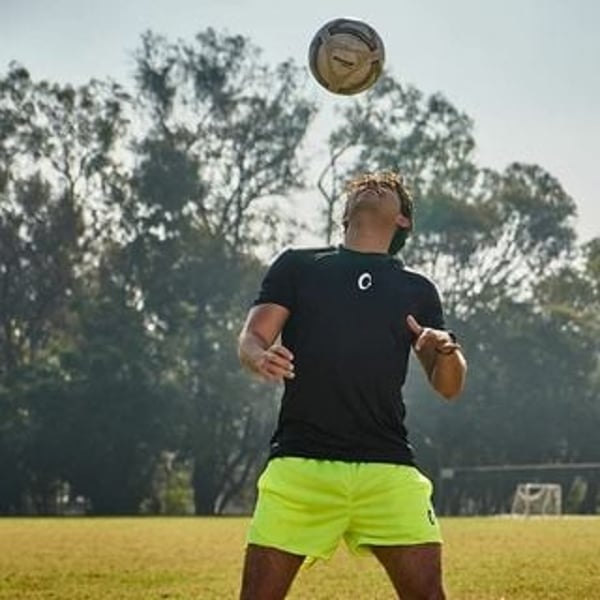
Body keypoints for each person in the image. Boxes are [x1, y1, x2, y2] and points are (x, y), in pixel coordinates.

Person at [237, 171, 467, 600]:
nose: (372, 185)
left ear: (403, 220)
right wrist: (258, 355)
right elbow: (252, 337)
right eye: (363, 185)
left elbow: (449, 386)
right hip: (300, 465)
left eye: (389, 187)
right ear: (344, 216)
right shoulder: (298, 266)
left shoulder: (417, 290)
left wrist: (447, 348)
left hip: (388, 468)